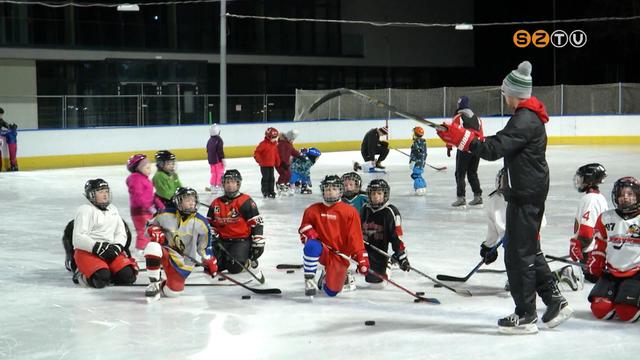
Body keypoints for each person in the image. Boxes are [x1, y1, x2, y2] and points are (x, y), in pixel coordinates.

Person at [437, 61, 572, 334]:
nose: (504, 96)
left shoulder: (524, 119)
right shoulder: (527, 116)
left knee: (517, 255)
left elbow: (493, 148)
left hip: (526, 194)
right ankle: (555, 301)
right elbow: (496, 143)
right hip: (527, 191)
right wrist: (460, 138)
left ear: (514, 93)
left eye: (504, 92)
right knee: (527, 250)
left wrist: (462, 139)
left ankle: (526, 315)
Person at [481, 168, 582, 292]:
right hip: (510, 245)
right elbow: (493, 227)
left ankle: (560, 276)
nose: (505, 184)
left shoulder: (525, 197)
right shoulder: (494, 200)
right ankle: (561, 274)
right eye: (504, 181)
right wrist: (488, 247)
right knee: (519, 282)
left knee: (525, 281)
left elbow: (541, 221)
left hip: (528, 240)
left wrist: (523, 231)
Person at [299, 175, 369, 297]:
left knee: (331, 292)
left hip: (339, 254)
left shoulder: (350, 212)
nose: (330, 192)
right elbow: (303, 229)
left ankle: (327, 275)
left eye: (334, 189)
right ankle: (309, 280)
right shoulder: (312, 210)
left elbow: (355, 237)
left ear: (341, 191)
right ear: (323, 191)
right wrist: (309, 232)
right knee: (311, 246)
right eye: (327, 189)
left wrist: (361, 257)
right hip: (323, 250)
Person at [144, 187, 217, 302]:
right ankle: (154, 283)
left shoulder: (202, 222)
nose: (192, 202)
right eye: (187, 200)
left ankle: (162, 285)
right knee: (153, 247)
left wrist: (209, 260)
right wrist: (153, 230)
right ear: (179, 202)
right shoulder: (164, 214)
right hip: (166, 252)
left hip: (183, 262)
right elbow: (149, 226)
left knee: (173, 292)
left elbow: (205, 247)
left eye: (193, 200)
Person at [587, 176, 640, 322]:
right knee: (600, 310)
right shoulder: (606, 218)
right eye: (621, 195)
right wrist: (596, 261)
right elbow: (600, 244)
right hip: (611, 271)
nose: (626, 198)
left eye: (630, 194)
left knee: (626, 313)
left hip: (637, 272)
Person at [72, 179, 138, 288]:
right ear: (91, 194)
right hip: (89, 252)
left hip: (110, 251)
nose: (105, 195)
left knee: (128, 277)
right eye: (101, 192)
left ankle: (108, 269)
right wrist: (97, 247)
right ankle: (80, 273)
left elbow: (121, 232)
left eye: (106, 191)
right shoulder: (85, 210)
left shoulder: (113, 209)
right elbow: (78, 237)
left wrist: (117, 246)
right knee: (101, 279)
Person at [207, 169, 265, 273]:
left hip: (241, 241)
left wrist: (258, 241)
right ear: (223, 184)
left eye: (233, 182)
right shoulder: (216, 203)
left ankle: (247, 261)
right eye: (227, 182)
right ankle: (229, 260)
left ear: (238, 184)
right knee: (213, 266)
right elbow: (210, 224)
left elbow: (257, 223)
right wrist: (213, 234)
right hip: (223, 241)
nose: (230, 185)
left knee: (234, 268)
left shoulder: (245, 201)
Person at [360, 179, 410, 286]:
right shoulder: (365, 209)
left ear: (385, 194)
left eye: (379, 193)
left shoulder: (390, 212)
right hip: (363, 250)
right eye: (373, 193)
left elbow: (396, 237)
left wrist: (401, 256)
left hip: (380, 252)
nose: (376, 196)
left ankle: (387, 262)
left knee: (376, 283)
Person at [569, 163, 609, 283]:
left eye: (582, 178)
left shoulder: (590, 199)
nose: (579, 182)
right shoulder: (599, 197)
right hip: (598, 254)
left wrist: (578, 245)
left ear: (590, 180)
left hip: (591, 258)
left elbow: (587, 232)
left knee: (591, 280)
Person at [449, 96, 484, 207]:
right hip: (476, 148)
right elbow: (481, 134)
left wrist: (448, 145)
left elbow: (452, 133)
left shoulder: (458, 117)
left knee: (460, 173)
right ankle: (478, 196)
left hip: (464, 148)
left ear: (459, 105)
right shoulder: (477, 118)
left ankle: (461, 198)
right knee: (472, 173)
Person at [126, 154, 164, 253]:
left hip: (146, 210)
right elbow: (138, 196)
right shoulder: (135, 179)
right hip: (140, 211)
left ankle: (147, 246)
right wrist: (148, 207)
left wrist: (159, 204)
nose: (149, 170)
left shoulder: (144, 178)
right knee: (143, 230)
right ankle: (140, 249)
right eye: (146, 167)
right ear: (138, 168)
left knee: (149, 228)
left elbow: (150, 195)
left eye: (149, 167)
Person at [254, 127, 280, 198]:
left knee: (272, 178)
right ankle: (265, 191)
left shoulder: (275, 144)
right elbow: (257, 153)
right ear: (268, 136)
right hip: (264, 165)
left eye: (275, 137)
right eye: (273, 137)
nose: (274, 139)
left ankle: (271, 191)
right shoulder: (263, 144)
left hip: (271, 165)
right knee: (266, 178)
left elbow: (276, 154)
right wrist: (259, 160)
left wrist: (278, 161)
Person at [276, 129, 301, 196]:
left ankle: (284, 185)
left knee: (288, 174)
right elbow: (281, 154)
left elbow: (293, 151)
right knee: (283, 174)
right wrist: (283, 162)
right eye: (292, 139)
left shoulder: (289, 144)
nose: (293, 140)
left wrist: (299, 155)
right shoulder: (281, 144)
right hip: (280, 163)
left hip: (285, 163)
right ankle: (280, 185)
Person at [205, 123, 225, 194]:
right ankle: (219, 186)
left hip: (211, 160)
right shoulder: (219, 140)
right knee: (219, 172)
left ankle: (213, 185)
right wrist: (222, 159)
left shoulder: (210, 140)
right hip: (217, 160)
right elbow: (220, 151)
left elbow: (207, 150)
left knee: (214, 173)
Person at [409, 126, 427, 196]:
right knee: (418, 175)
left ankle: (419, 188)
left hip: (417, 162)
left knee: (416, 175)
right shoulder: (423, 141)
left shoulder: (416, 142)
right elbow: (423, 153)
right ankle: (423, 187)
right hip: (421, 162)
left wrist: (413, 161)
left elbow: (416, 153)